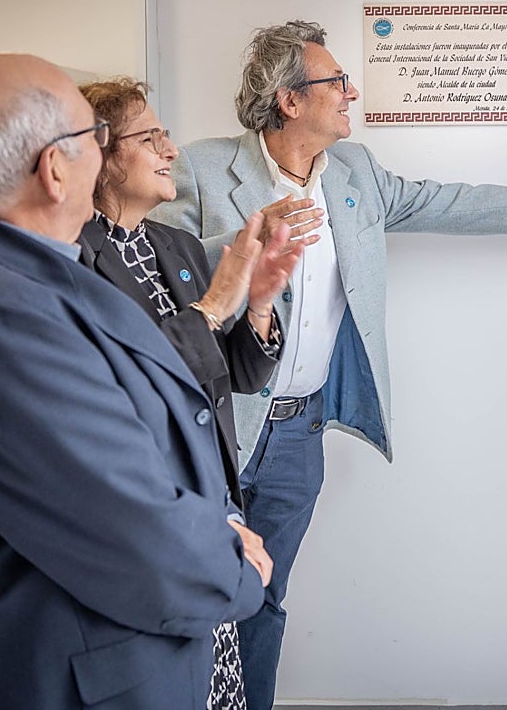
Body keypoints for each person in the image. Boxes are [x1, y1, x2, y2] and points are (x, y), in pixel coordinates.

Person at [151, 19, 507, 709]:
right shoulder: (202, 169)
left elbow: (448, 202)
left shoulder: (354, 173)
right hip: (213, 428)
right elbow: (150, 270)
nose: (351, 91)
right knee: (188, 602)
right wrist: (243, 242)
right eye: (336, 82)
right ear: (290, 100)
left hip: (297, 436)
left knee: (262, 601)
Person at [0, 54, 270, 709]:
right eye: (96, 142)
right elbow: (135, 536)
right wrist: (232, 561)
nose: (102, 158)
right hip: (68, 675)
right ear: (54, 168)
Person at [77, 77, 309, 709]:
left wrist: (258, 306)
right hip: (150, 513)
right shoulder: (74, 261)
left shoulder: (174, 244)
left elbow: (232, 374)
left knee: (216, 683)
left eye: (165, 134)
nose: (170, 149)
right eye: (151, 136)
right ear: (99, 153)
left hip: (214, 506)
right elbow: (130, 384)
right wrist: (211, 306)